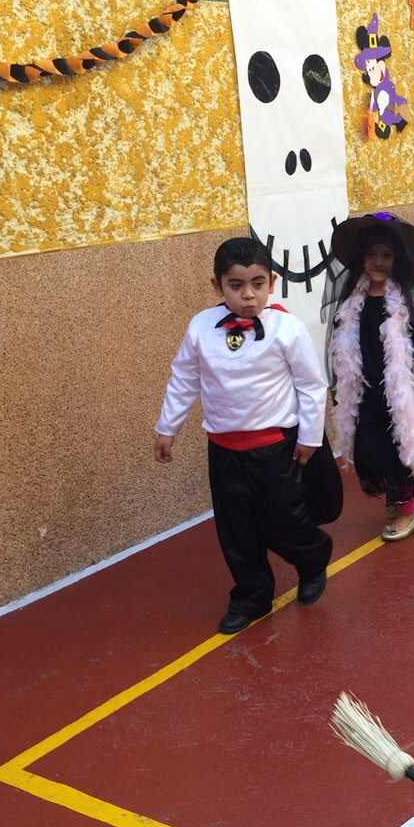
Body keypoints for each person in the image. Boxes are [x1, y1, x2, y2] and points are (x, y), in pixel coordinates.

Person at [154, 237, 333, 634]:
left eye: (257, 283)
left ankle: (312, 556)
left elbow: (310, 384)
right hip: (223, 449)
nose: (248, 295)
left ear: (272, 282)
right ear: (217, 286)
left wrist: (310, 437)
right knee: (235, 528)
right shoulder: (201, 327)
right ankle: (251, 594)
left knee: (283, 520)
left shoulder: (287, 328)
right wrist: (168, 427)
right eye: (236, 285)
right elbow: (184, 378)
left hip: (275, 448)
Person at [327, 213, 414, 542]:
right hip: (365, 389)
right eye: (371, 254)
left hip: (400, 391)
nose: (378, 262)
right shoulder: (354, 299)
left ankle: (408, 510)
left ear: (398, 259)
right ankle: (394, 495)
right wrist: (342, 380)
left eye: (386, 255)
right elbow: (342, 343)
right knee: (368, 447)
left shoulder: (409, 299)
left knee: (401, 447)